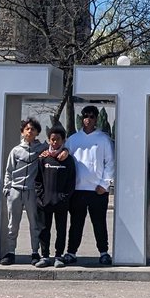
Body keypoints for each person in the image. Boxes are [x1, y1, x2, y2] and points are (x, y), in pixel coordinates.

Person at [66, 105, 115, 265]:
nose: (88, 119)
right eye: (85, 116)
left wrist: (105, 184)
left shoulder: (103, 139)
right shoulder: (73, 139)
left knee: (99, 223)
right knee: (76, 224)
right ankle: (71, 252)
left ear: (96, 119)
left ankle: (103, 252)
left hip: (97, 191)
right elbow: (65, 161)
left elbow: (110, 163)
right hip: (77, 190)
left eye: (92, 116)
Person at [0, 118, 43, 266]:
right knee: (13, 224)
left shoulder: (41, 148)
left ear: (37, 132)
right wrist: (7, 187)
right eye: (27, 129)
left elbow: (56, 147)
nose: (30, 131)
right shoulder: (16, 150)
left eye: (33, 129)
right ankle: (10, 252)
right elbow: (9, 170)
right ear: (22, 131)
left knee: (34, 223)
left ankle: (35, 252)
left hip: (31, 191)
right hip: (16, 190)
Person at [35, 124, 76, 268]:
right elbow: (37, 180)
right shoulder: (43, 158)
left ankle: (59, 256)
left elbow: (71, 182)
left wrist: (64, 197)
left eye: (58, 139)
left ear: (63, 140)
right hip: (45, 202)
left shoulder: (68, 159)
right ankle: (45, 256)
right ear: (49, 140)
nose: (54, 142)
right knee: (44, 230)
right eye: (52, 139)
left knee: (61, 230)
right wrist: (40, 197)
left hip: (61, 203)